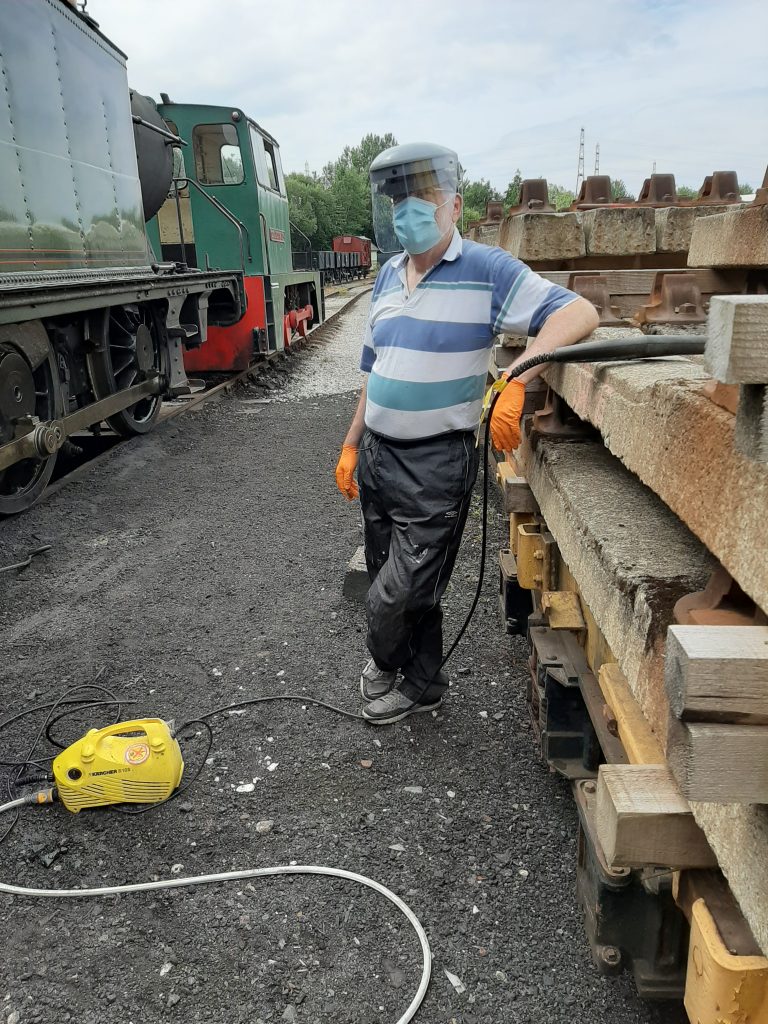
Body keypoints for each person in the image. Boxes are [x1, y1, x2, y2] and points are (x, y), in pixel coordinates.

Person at [335, 143, 599, 726]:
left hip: (435, 464)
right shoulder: (385, 275)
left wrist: (518, 374)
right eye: (399, 201)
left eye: (422, 199)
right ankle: (423, 684)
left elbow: (577, 312)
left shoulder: (486, 269)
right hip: (379, 456)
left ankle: (382, 665)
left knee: (398, 590)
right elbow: (375, 372)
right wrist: (353, 444)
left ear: (452, 205)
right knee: (393, 576)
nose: (409, 212)